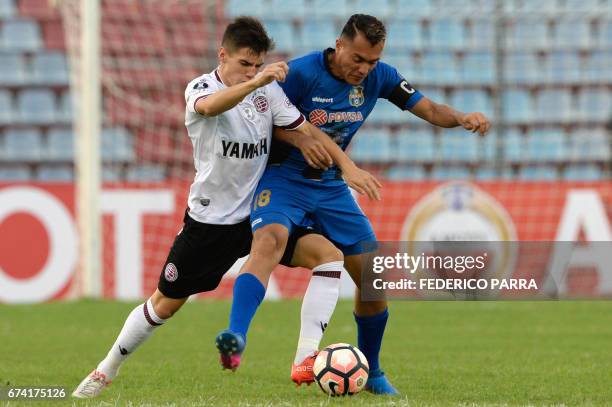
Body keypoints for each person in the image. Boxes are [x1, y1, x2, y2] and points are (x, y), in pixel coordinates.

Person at [72, 16, 381, 398]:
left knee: (329, 257)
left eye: (256, 64)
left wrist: (336, 160)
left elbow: (304, 129)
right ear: (223, 56)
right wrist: (257, 81)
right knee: (164, 306)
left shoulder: (267, 93)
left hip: (259, 213)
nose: (250, 72)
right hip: (211, 221)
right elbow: (209, 108)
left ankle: (305, 357)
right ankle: (106, 369)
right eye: (243, 64)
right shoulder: (201, 88)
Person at [217, 14, 491, 395]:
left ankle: (373, 372)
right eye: (358, 59)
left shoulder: (381, 77)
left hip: (331, 188)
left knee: (372, 277)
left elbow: (427, 109)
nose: (364, 69)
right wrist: (300, 140)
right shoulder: (300, 73)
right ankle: (235, 335)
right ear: (339, 45)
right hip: (284, 179)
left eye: (373, 61)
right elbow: (262, 120)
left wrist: (462, 117)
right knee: (269, 240)